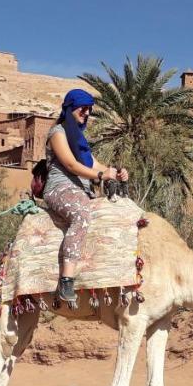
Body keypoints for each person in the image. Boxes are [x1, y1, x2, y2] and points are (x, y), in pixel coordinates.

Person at [43, 88, 128, 304]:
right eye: (83, 108)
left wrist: (115, 172)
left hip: (83, 190)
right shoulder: (58, 133)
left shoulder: (79, 140)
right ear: (71, 107)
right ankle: (67, 279)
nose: (87, 113)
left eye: (90, 109)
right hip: (60, 189)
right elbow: (71, 164)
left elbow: (94, 164)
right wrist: (100, 175)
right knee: (81, 214)